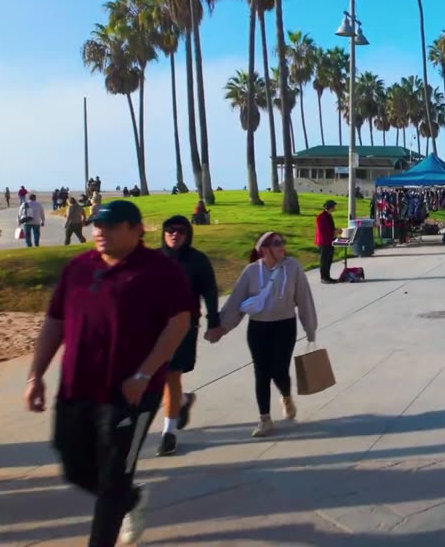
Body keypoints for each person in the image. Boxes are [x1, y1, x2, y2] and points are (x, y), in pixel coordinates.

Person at [24, 200, 194, 547]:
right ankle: (132, 499)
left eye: (112, 226)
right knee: (73, 465)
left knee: (114, 477)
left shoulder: (159, 270)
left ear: (136, 230)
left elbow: (179, 322)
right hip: (76, 386)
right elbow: (55, 322)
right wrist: (35, 375)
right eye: (97, 226)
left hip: (130, 394)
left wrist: (145, 375)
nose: (100, 232)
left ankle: (116, 511)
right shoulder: (78, 268)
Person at [211, 232, 319, 438]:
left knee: (279, 370)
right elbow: (235, 303)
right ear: (263, 249)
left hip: (285, 326)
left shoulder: (293, 267)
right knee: (261, 373)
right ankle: (265, 419)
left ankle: (286, 396)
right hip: (258, 329)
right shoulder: (251, 271)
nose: (282, 247)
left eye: (282, 243)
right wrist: (221, 327)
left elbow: (304, 298)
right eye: (276, 244)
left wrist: (310, 328)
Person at [157, 216, 218, 456]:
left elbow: (211, 292)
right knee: (158, 375)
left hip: (184, 327)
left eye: (180, 231)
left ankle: (169, 432)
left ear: (188, 234)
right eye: (170, 230)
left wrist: (214, 323)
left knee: (171, 374)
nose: (174, 234)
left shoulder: (197, 261)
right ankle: (181, 401)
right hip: (153, 329)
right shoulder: (152, 260)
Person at [315, 200, 339, 284]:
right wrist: (333, 232)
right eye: (333, 207)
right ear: (329, 207)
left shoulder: (329, 216)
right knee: (324, 260)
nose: (334, 209)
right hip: (323, 242)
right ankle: (324, 277)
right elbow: (322, 230)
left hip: (329, 241)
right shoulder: (321, 217)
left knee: (329, 260)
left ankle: (328, 277)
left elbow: (330, 228)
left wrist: (335, 231)